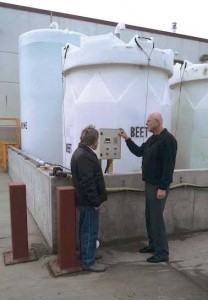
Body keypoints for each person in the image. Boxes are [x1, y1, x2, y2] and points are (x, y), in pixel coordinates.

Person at [119, 112, 177, 263]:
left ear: (157, 122)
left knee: (157, 219)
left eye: (148, 122)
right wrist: (127, 139)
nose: (146, 124)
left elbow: (168, 166)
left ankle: (162, 252)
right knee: (149, 217)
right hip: (149, 184)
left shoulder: (168, 140)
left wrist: (163, 187)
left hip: (158, 186)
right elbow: (139, 152)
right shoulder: (152, 139)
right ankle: (153, 245)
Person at [71, 125, 107, 272]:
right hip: (88, 201)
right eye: (97, 139)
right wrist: (95, 202)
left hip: (85, 200)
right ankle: (88, 261)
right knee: (90, 231)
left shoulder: (81, 153)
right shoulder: (84, 156)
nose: (98, 142)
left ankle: (87, 254)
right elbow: (88, 181)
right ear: (93, 140)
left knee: (86, 229)